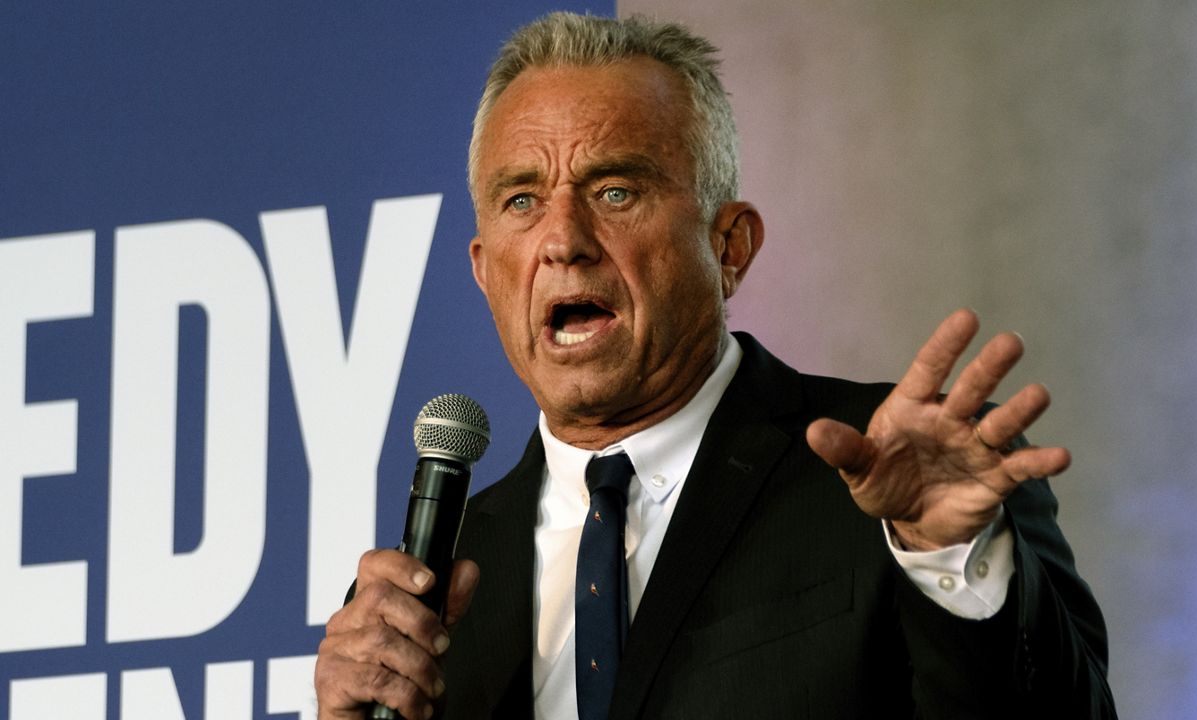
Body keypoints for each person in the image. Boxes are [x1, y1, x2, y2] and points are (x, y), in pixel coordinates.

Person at [315, 12, 1115, 720]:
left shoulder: (898, 485)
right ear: (486, 271)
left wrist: (949, 561)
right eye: (522, 200)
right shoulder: (424, 604)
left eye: (617, 190)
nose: (563, 239)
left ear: (729, 247)